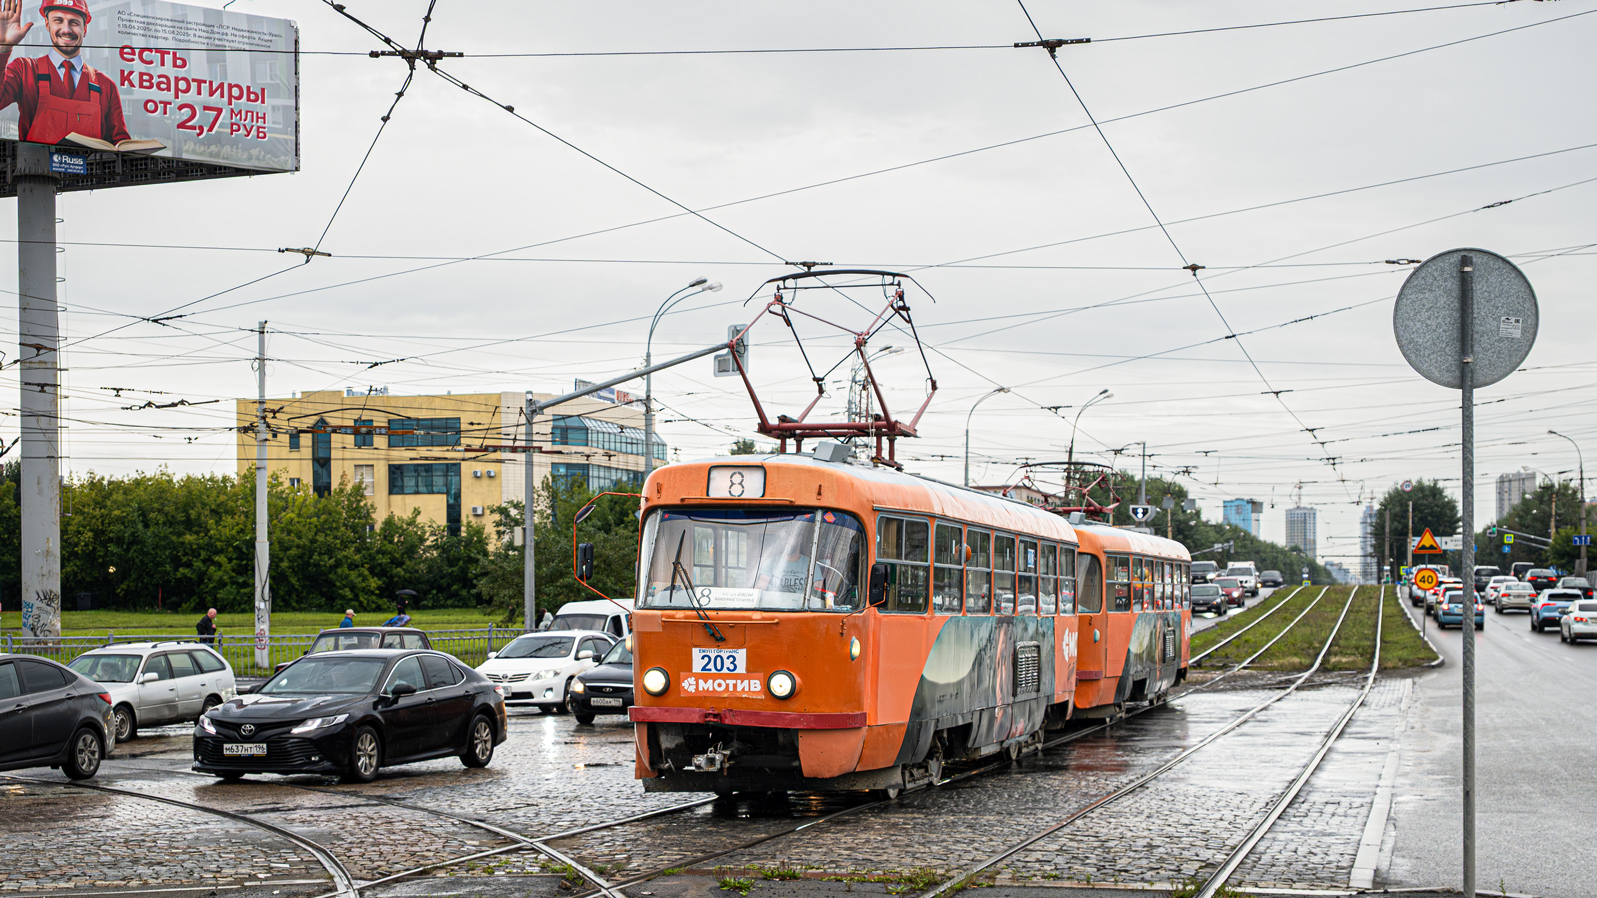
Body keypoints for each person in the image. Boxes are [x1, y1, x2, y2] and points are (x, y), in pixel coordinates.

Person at [0, 1, 135, 146]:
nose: (66, 30)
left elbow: (120, 144)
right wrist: (2, 49)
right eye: (58, 20)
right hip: (35, 161)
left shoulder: (106, 85)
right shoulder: (24, 70)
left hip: (90, 162)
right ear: (47, 24)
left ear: (85, 29)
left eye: (74, 22)